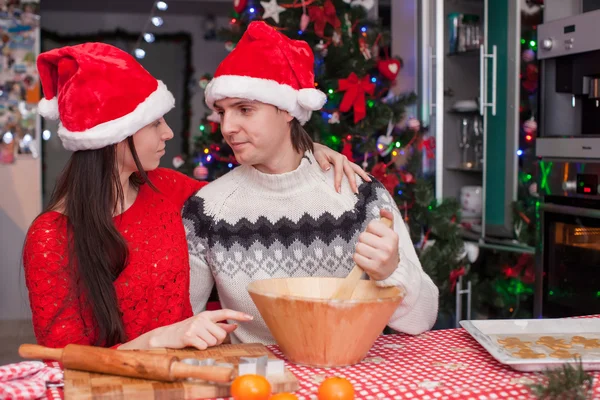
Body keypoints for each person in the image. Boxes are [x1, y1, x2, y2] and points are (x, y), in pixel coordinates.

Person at [23, 42, 369, 350]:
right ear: (116, 134)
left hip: (189, 379)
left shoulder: (166, 189)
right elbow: (60, 361)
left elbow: (251, 192)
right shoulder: (51, 237)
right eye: (155, 122)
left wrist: (304, 151)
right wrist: (158, 339)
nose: (168, 132)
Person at [183, 21, 439, 346]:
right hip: (262, 387)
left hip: (350, 382)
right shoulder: (207, 209)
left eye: (245, 110)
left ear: (288, 111)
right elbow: (182, 324)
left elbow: (423, 319)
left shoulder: (359, 194)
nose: (227, 126)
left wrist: (392, 272)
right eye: (221, 112)